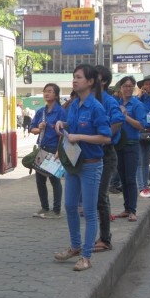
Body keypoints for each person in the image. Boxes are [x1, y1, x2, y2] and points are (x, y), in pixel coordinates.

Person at [54, 64, 111, 271]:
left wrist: (81, 137)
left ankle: (86, 256)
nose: (74, 80)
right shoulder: (75, 105)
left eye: (78, 77)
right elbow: (73, 127)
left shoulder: (96, 107)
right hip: (73, 165)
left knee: (89, 211)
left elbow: (105, 137)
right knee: (69, 206)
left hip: (91, 166)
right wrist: (63, 124)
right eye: (73, 77)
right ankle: (75, 246)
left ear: (90, 82)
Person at [92, 65, 125, 253]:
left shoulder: (108, 100)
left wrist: (104, 138)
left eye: (92, 76)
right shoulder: (87, 100)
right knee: (92, 198)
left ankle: (105, 239)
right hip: (90, 155)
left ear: (103, 81)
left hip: (105, 154)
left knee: (101, 196)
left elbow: (118, 120)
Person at [30, 83, 67, 219]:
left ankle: (56, 210)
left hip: (53, 149)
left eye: (50, 91)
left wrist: (59, 151)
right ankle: (44, 207)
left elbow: (64, 134)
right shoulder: (41, 111)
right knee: (40, 180)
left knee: (54, 179)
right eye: (45, 91)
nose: (46, 94)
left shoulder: (61, 112)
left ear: (56, 95)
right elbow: (32, 129)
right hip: (42, 149)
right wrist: (39, 128)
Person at [115, 76, 147, 222]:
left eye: (130, 86)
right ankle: (126, 208)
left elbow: (141, 125)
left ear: (133, 88)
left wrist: (125, 116)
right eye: (125, 86)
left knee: (130, 179)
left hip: (132, 144)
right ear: (120, 88)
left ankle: (132, 210)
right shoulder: (117, 103)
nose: (127, 88)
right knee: (122, 178)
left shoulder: (137, 105)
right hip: (118, 144)